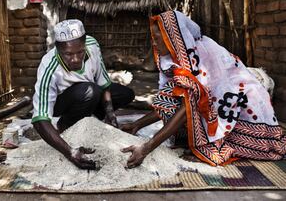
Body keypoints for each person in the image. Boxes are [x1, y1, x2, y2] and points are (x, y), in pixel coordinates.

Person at [121, 10, 286, 168]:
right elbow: (171, 101)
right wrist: (137, 125)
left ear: (172, 37)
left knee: (195, 102)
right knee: (173, 92)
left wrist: (147, 148)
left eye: (158, 38)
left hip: (245, 107)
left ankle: (213, 145)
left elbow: (189, 107)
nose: (154, 43)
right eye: (153, 38)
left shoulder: (201, 57)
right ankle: (200, 139)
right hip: (217, 104)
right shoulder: (176, 59)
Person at [32, 19, 135, 170]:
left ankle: (94, 119)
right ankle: (64, 125)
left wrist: (110, 114)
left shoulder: (92, 45)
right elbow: (39, 120)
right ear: (58, 50)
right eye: (68, 54)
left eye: (80, 52)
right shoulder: (49, 66)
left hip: (90, 92)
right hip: (63, 103)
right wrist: (70, 153)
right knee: (89, 91)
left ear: (85, 45)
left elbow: (104, 83)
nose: (75, 59)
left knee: (125, 94)